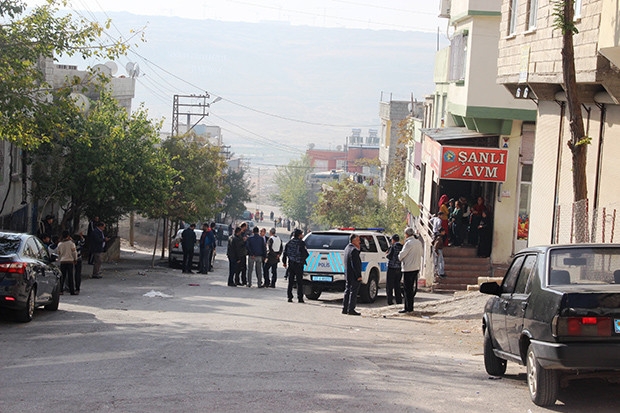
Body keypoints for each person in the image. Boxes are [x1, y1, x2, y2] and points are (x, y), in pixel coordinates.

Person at [398, 227, 423, 314]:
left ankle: (407, 307)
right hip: (416, 267)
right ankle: (410, 307)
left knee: (407, 289)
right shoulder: (418, 242)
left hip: (408, 268)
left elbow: (401, 255)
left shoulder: (408, 243)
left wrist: (399, 255)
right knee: (411, 288)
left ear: (406, 234)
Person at [282, 228, 308, 303]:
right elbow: (305, 254)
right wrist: (302, 260)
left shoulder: (289, 243)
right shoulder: (301, 243)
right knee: (299, 282)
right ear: (299, 235)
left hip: (291, 264)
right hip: (299, 264)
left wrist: (284, 262)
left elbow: (285, 253)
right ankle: (300, 298)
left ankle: (289, 297)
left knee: (291, 281)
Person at [342, 233, 362, 315]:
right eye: (358, 240)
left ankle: (345, 308)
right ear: (353, 240)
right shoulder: (354, 250)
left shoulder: (347, 248)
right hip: (354, 275)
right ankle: (351, 309)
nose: (359, 242)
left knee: (347, 291)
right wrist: (358, 276)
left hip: (348, 274)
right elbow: (355, 264)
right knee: (353, 292)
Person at [57, 230, 78, 295]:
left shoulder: (60, 244)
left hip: (63, 261)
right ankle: (72, 291)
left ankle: (60, 290)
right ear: (68, 236)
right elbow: (74, 252)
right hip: (70, 261)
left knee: (62, 276)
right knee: (70, 276)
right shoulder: (71, 243)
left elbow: (59, 253)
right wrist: (75, 259)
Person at [385, 234, 403, 306]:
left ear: (393, 240)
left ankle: (390, 301)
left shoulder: (393, 247)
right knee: (397, 285)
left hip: (391, 268)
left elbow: (389, 256)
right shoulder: (402, 247)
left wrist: (386, 254)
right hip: (399, 268)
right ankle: (399, 301)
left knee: (389, 286)